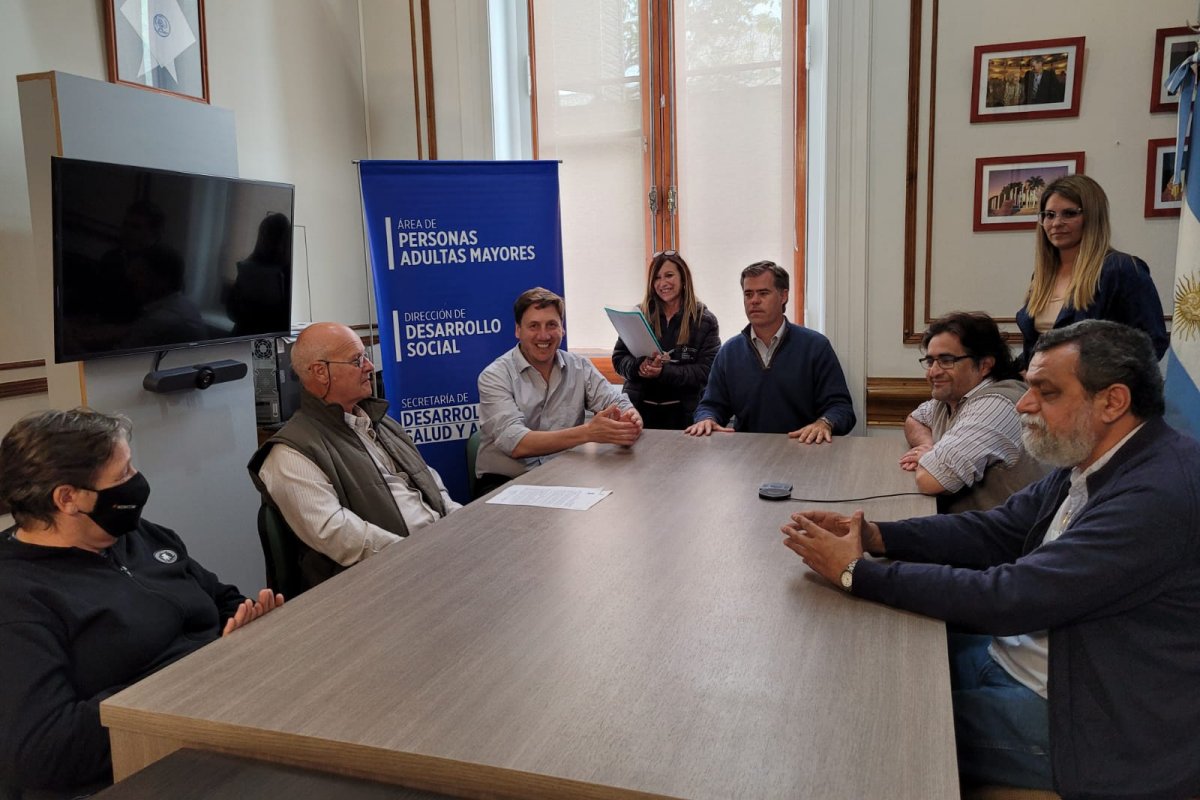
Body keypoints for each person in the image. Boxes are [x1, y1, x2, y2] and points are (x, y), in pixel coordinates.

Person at [782, 320, 1200, 798]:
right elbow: (996, 530)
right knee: (869, 669)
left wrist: (855, 572)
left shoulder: (1158, 494)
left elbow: (1011, 596)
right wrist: (877, 535)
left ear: (1112, 402)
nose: (1023, 404)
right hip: (1035, 662)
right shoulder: (1095, 458)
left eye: (1046, 392)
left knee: (872, 720)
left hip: (1096, 721)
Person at [0, 409, 282, 796]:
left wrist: (247, 624)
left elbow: (223, 599)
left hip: (229, 709)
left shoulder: (135, 536)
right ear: (67, 498)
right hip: (152, 764)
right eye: (123, 475)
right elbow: (43, 752)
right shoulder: (17, 596)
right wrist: (200, 674)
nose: (137, 482)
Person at [249, 322, 461, 589]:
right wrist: (421, 554)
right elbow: (339, 535)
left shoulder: (384, 425)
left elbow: (432, 485)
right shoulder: (290, 453)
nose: (369, 367)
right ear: (321, 372)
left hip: (435, 556)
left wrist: (463, 526)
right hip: (381, 583)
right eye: (357, 360)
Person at [476, 287, 643, 493]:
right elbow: (517, 443)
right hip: (505, 482)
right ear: (518, 330)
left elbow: (618, 403)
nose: (544, 335)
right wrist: (588, 432)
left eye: (552, 325)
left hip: (563, 476)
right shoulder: (494, 376)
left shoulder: (580, 366)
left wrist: (630, 420)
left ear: (562, 330)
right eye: (534, 326)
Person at [685, 261, 855, 442]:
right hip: (746, 453)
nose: (754, 300)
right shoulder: (730, 352)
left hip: (803, 448)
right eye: (748, 294)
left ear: (783, 296)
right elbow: (711, 404)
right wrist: (707, 419)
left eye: (763, 293)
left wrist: (824, 423)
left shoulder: (815, 347)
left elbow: (841, 407)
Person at [1016, 174, 1168, 368]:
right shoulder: (1041, 276)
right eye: (1049, 215)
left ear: (1092, 216)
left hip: (1098, 385)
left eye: (1069, 214)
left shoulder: (1121, 269)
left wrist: (1098, 377)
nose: (1056, 223)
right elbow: (1035, 346)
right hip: (1042, 383)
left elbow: (1152, 344)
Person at [901, 312, 1047, 513]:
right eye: (930, 361)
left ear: (984, 365)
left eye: (946, 360)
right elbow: (913, 420)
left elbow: (931, 480)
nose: (933, 372)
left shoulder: (995, 406)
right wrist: (930, 447)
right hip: (969, 525)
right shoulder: (951, 396)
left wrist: (930, 458)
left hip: (1006, 532)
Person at [611, 250, 720, 429]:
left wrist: (663, 372)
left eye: (669, 275)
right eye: (657, 278)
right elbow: (619, 359)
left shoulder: (704, 320)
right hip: (638, 414)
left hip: (685, 417)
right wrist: (639, 366)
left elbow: (706, 371)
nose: (663, 283)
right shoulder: (638, 315)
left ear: (683, 278)